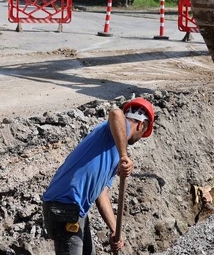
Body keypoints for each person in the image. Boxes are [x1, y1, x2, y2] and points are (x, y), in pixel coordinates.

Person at [41, 97, 155, 255]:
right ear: (142, 124)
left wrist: (115, 229)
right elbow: (115, 113)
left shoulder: (114, 153)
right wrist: (124, 155)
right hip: (64, 206)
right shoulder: (119, 131)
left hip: (75, 209)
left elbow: (102, 195)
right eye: (143, 133)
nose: (140, 137)